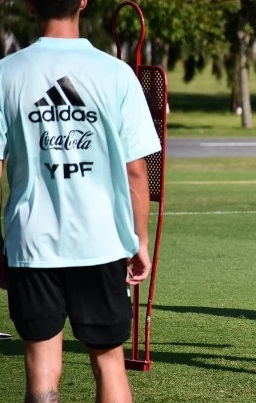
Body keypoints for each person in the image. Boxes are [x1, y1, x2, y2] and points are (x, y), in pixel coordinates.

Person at [0, 0, 162, 401]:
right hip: (102, 242)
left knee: (41, 366)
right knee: (109, 363)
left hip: (32, 244)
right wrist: (139, 240)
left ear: (29, 3)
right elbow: (136, 171)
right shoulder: (116, 74)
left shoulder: (6, 73)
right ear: (84, 1)